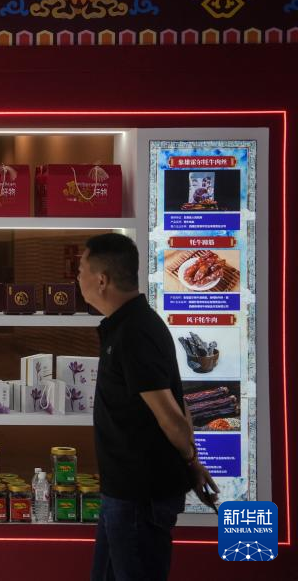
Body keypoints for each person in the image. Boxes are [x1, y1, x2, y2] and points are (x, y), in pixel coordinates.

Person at [78, 233, 219, 581]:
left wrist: (191, 461)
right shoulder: (128, 324)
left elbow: (170, 415)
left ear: (101, 280)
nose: (77, 278)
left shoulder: (135, 332)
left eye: (80, 269)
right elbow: (179, 401)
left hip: (139, 499)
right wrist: (191, 460)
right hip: (122, 494)